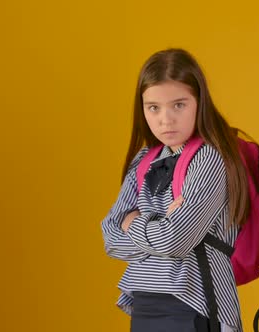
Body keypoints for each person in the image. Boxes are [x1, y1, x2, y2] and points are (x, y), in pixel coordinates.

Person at [101, 48, 250, 332]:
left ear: (199, 102)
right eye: (153, 107)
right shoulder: (144, 159)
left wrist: (133, 220)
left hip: (195, 302)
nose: (165, 119)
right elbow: (110, 235)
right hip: (145, 302)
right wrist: (160, 224)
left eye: (179, 105)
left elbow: (175, 241)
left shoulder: (210, 157)